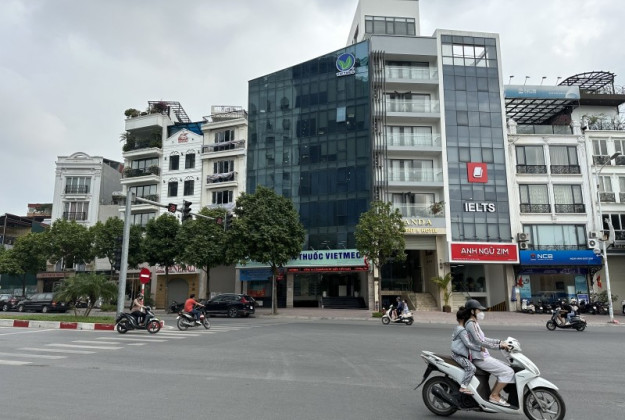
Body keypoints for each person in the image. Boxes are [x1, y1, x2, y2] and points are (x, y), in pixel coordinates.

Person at [463, 299, 513, 407]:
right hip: (479, 358)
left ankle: (495, 394)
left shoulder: (474, 323)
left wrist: (500, 342)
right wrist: (499, 346)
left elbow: (484, 338)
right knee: (508, 372)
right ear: (472, 311)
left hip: (484, 356)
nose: (481, 312)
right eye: (479, 310)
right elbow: (480, 342)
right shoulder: (470, 324)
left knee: (508, 368)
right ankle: (494, 396)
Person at [451, 308, 484, 395]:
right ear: (464, 318)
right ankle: (463, 387)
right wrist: (479, 348)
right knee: (471, 368)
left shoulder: (457, 328)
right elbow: (468, 344)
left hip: (456, 354)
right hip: (458, 355)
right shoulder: (462, 330)